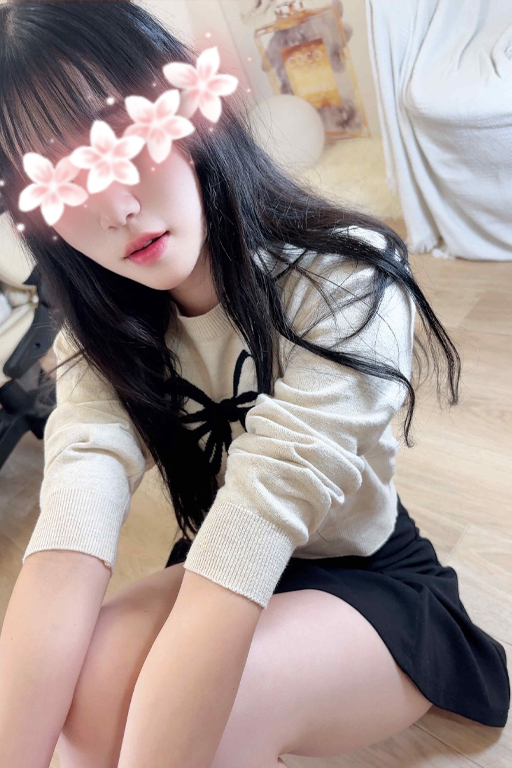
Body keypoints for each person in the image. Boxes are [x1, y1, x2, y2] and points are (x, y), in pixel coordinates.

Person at [0, 2, 508, 766]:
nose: (117, 204)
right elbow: (69, 535)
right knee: (86, 691)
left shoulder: (347, 279)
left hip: (365, 574)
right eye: (66, 181)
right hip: (215, 554)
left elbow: (258, 523)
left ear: (185, 108)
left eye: (122, 137)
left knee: (218, 716)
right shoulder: (101, 338)